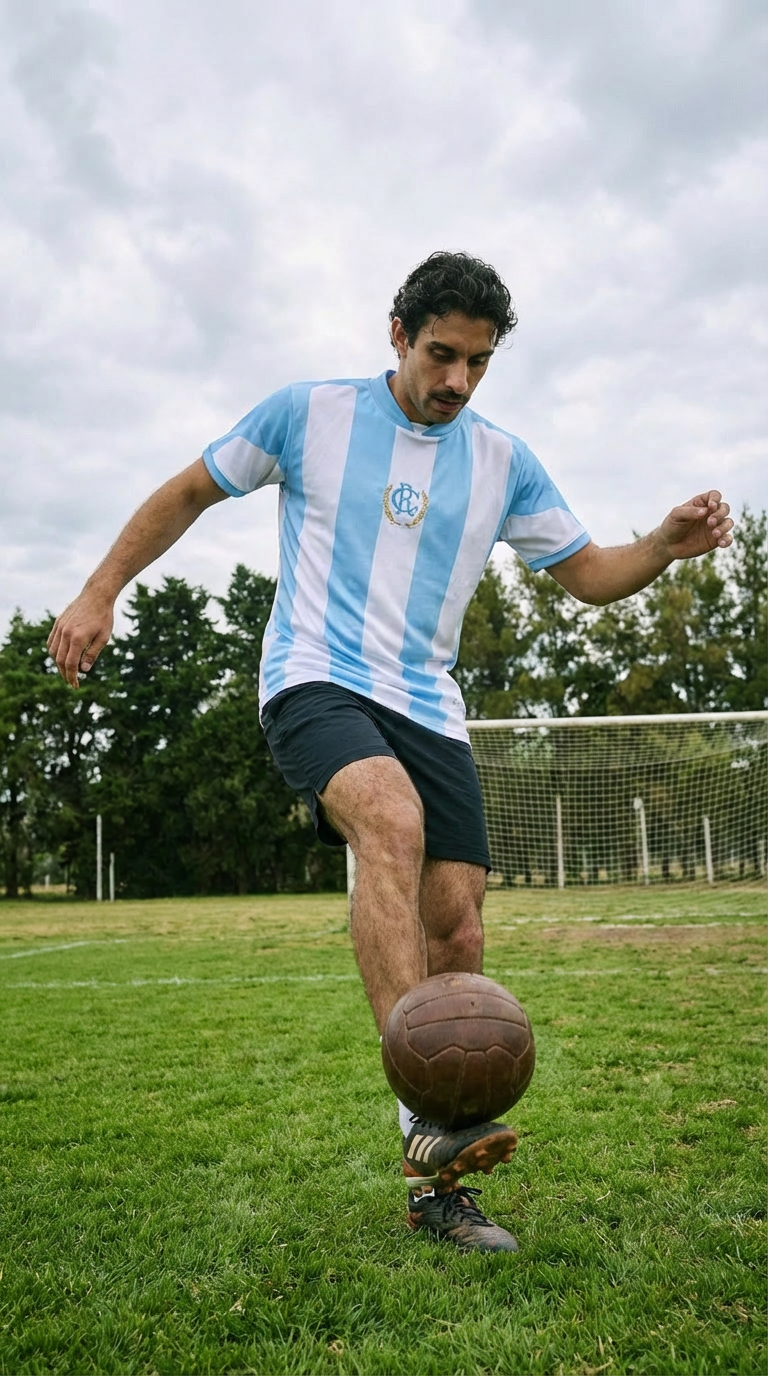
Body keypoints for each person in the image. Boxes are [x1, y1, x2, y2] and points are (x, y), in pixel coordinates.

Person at [48, 251, 733, 1254]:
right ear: (399, 335)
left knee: (457, 923)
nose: (458, 379)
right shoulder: (309, 413)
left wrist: (663, 545)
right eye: (442, 354)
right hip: (314, 676)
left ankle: (435, 1193)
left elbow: (589, 573)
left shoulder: (503, 461)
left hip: (428, 702)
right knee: (390, 820)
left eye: (479, 362)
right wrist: (99, 590)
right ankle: (425, 1115)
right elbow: (189, 490)